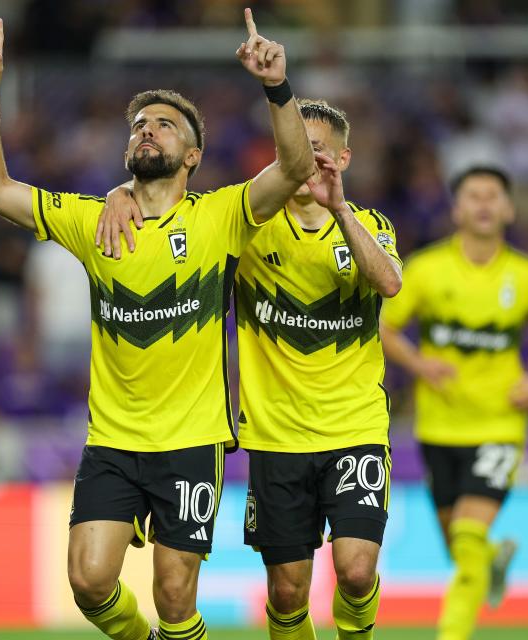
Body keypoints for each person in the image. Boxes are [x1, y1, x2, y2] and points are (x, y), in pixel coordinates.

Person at [0, 10, 315, 640]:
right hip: (114, 440)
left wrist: (276, 88)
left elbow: (292, 168)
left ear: (193, 156)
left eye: (164, 124)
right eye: (139, 125)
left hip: (190, 439)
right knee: (89, 581)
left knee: (175, 595)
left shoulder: (221, 217)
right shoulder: (93, 219)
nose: (147, 130)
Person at [100, 99, 402, 640]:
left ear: (343, 159)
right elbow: (171, 203)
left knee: (356, 572)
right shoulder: (246, 229)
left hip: (354, 429)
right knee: (287, 593)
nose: (308, 162)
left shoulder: (369, 225)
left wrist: (340, 210)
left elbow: (389, 282)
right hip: (274, 438)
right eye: (297, 149)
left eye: (319, 152)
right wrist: (119, 192)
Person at [379, 166, 528, 640]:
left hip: (499, 424)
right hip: (439, 426)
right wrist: (420, 365)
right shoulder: (425, 269)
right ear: (457, 209)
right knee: (461, 550)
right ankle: (492, 561)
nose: (483, 203)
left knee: (466, 535)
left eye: (493, 196)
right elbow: (385, 327)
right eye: (473, 196)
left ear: (508, 208)